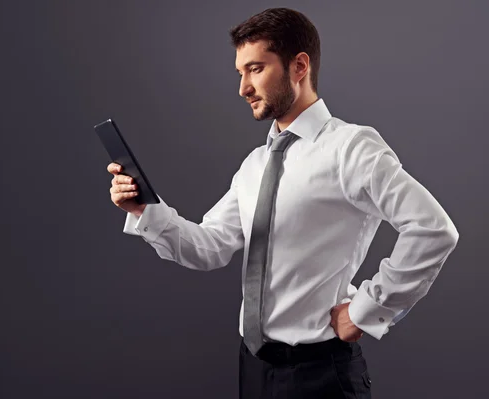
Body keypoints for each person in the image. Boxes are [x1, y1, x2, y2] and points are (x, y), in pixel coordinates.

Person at [106, 7, 459, 399]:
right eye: (240, 72)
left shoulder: (350, 148)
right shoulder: (255, 164)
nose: (243, 87)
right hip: (253, 369)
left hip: (320, 375)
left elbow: (433, 229)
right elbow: (208, 247)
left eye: (255, 69)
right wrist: (144, 210)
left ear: (299, 66)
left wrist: (365, 312)